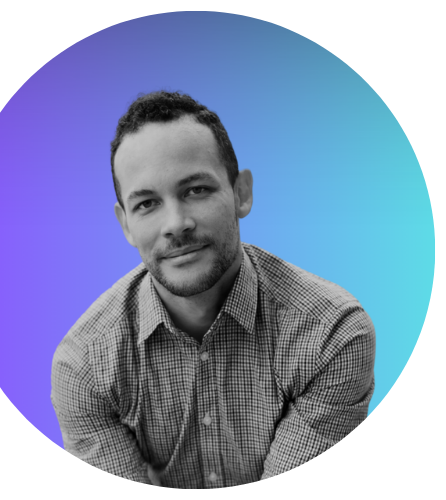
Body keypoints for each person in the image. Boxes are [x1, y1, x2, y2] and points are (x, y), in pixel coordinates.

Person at [51, 90, 375, 494]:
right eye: (147, 203)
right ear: (126, 225)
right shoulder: (84, 368)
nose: (176, 224)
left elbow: (304, 492)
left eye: (196, 190)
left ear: (241, 193)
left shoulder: (332, 335)